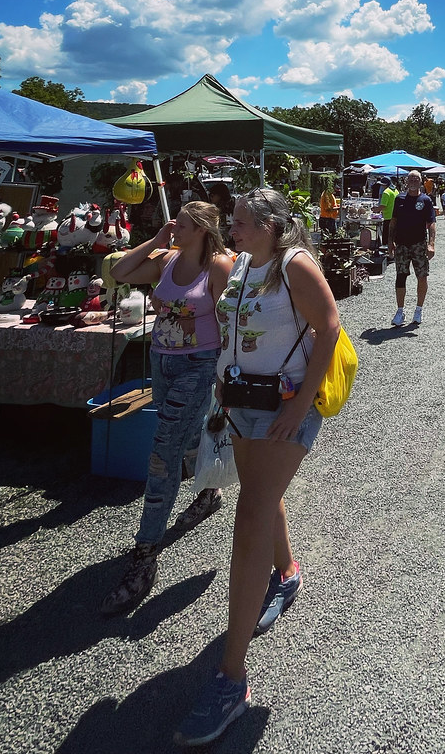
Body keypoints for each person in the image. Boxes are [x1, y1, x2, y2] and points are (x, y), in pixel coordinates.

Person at [174, 188, 339, 747]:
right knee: (260, 495)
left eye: (242, 222)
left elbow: (330, 327)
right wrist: (225, 370)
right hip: (241, 400)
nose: (234, 230)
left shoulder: (295, 264)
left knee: (249, 518)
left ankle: (231, 678)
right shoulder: (244, 263)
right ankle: (287, 572)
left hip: (283, 408)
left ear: (271, 225)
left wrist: (300, 404)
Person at [101, 202, 235, 615]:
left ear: (201, 229)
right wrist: (157, 240)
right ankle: (209, 492)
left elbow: (231, 324)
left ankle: (144, 555)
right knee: (188, 434)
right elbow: (120, 272)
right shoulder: (165, 260)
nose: (173, 224)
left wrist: (225, 377)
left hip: (199, 365)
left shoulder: (219, 267)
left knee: (163, 452)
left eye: (181, 222)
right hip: (163, 362)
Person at [386, 170, 436, 326]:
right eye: (411, 178)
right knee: (401, 276)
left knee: (422, 276)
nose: (413, 181)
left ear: (421, 181)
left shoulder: (426, 200)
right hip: (401, 244)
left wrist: (431, 244)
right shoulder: (399, 198)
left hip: (419, 244)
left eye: (416, 179)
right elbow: (393, 222)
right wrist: (390, 241)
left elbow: (432, 223)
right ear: (406, 181)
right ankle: (400, 311)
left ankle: (418, 310)